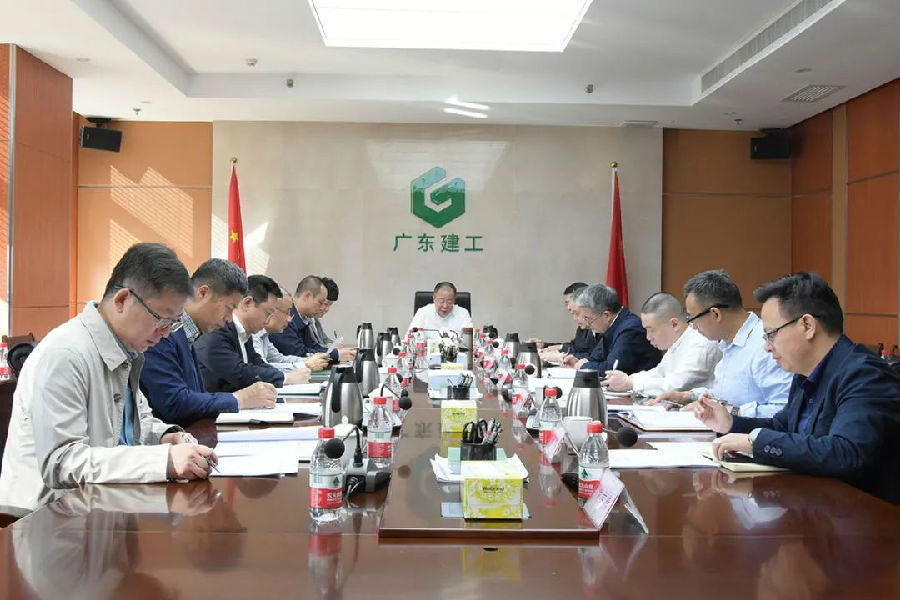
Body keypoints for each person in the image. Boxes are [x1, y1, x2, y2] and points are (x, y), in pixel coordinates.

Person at [0, 243, 217, 517]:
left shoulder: (126, 349)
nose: (165, 334)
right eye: (161, 320)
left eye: (173, 324)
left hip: (99, 508)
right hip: (47, 519)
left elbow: (132, 426)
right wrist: (162, 460)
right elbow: (62, 462)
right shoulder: (65, 354)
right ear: (122, 300)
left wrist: (166, 437)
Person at [691, 272, 900, 504]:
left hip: (864, 515)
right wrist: (731, 424)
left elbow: (846, 452)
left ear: (807, 325)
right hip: (816, 505)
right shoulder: (805, 373)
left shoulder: (865, 375)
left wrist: (757, 443)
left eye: (770, 334)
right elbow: (783, 427)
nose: (766, 347)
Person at [141, 259, 280, 428]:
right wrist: (239, 399)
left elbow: (196, 395)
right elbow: (174, 403)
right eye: (229, 308)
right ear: (203, 293)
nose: (229, 319)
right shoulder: (163, 332)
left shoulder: (190, 333)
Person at [652, 269, 792, 417]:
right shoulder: (728, 343)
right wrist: (688, 397)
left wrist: (733, 412)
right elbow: (726, 395)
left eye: (692, 318)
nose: (694, 326)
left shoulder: (764, 345)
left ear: (715, 314)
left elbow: (784, 410)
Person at [194, 275, 311, 393]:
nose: (267, 321)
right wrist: (286, 378)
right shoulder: (217, 330)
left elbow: (258, 363)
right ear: (247, 303)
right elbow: (240, 372)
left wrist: (283, 376)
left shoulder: (245, 333)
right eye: (268, 313)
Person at [604, 292, 721, 396]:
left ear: (674, 324)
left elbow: (675, 386)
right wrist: (626, 379)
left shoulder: (700, 344)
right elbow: (659, 373)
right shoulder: (678, 343)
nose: (648, 337)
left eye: (651, 330)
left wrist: (631, 383)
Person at [562, 284, 661, 373]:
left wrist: (583, 366)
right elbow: (597, 357)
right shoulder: (612, 325)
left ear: (606, 315)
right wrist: (578, 361)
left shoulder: (629, 329)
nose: (588, 324)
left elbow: (613, 368)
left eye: (588, 319)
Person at [269, 275, 356, 363]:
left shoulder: (305, 318)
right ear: (307, 296)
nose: (323, 308)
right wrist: (336, 355)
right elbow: (298, 353)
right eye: (321, 303)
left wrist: (338, 353)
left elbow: (314, 347)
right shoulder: (285, 318)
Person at [253, 294, 327, 371]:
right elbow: (261, 368)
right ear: (271, 310)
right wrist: (305, 365)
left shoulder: (263, 334)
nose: (289, 319)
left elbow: (278, 359)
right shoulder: (253, 334)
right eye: (287, 312)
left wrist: (310, 360)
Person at [538, 282, 598, 363]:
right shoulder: (585, 325)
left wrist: (561, 356)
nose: (568, 308)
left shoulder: (600, 328)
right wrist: (544, 345)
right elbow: (576, 347)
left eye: (568, 302)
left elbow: (595, 357)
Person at [407, 281, 473, 339]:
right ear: (434, 298)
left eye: (449, 302)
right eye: (441, 301)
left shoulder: (463, 314)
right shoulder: (423, 312)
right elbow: (409, 337)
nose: (445, 306)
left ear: (454, 300)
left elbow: (470, 341)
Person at [310, 276, 339, 347]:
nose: (327, 309)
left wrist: (333, 344)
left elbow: (325, 339)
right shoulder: (303, 320)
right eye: (325, 304)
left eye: (330, 305)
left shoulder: (315, 320)